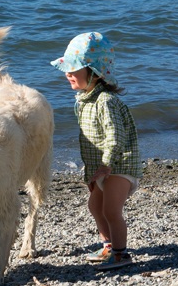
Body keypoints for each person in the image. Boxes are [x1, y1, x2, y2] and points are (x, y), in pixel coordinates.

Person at [52, 32, 141, 271]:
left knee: (111, 210)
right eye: (67, 68)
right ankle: (109, 245)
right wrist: (93, 172)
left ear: (94, 72)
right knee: (95, 207)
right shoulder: (83, 101)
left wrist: (106, 165)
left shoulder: (106, 102)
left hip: (120, 165)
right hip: (101, 167)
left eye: (74, 68)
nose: (68, 74)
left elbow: (115, 136)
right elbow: (89, 140)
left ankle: (121, 255)